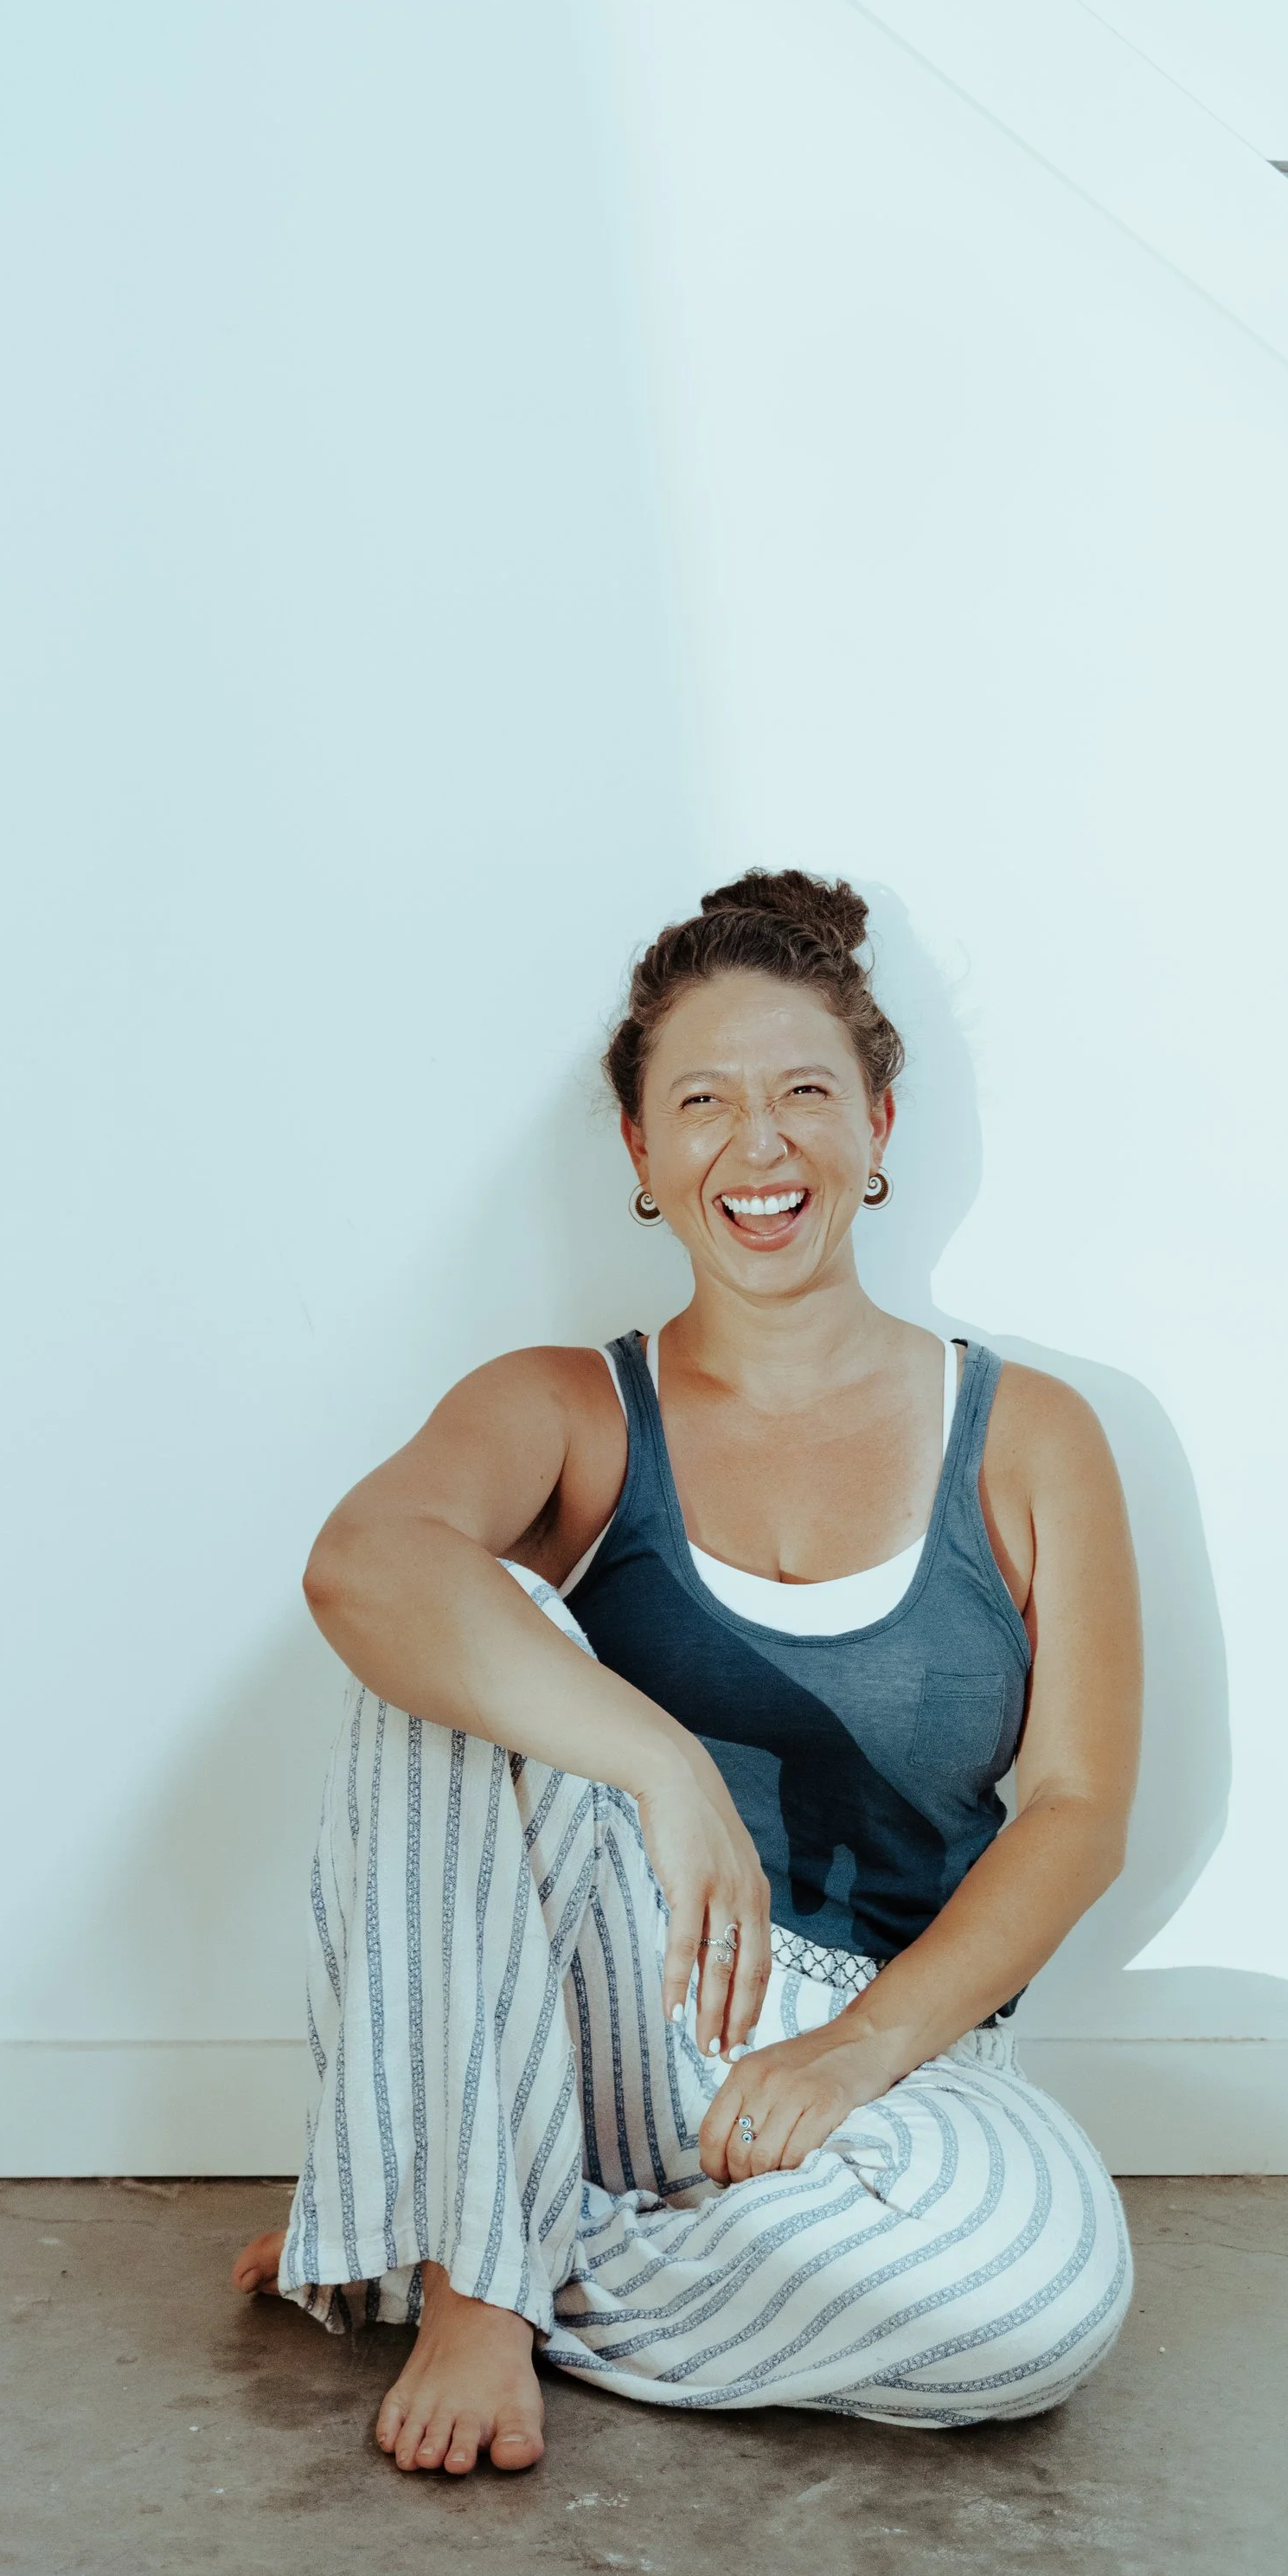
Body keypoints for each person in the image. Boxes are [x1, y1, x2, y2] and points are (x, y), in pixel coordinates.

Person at [233, 870, 1143, 2474]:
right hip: (599, 2015)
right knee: (447, 1648)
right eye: (704, 1101)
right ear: (644, 1154)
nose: (763, 1142)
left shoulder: (1033, 1435)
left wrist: (853, 2049)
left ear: (875, 1118)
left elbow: (1075, 1808)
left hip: (884, 2057)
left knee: (1044, 2301)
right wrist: (662, 1765)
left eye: (805, 1093)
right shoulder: (572, 1407)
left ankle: (462, 2219)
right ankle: (473, 2290)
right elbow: (359, 1565)